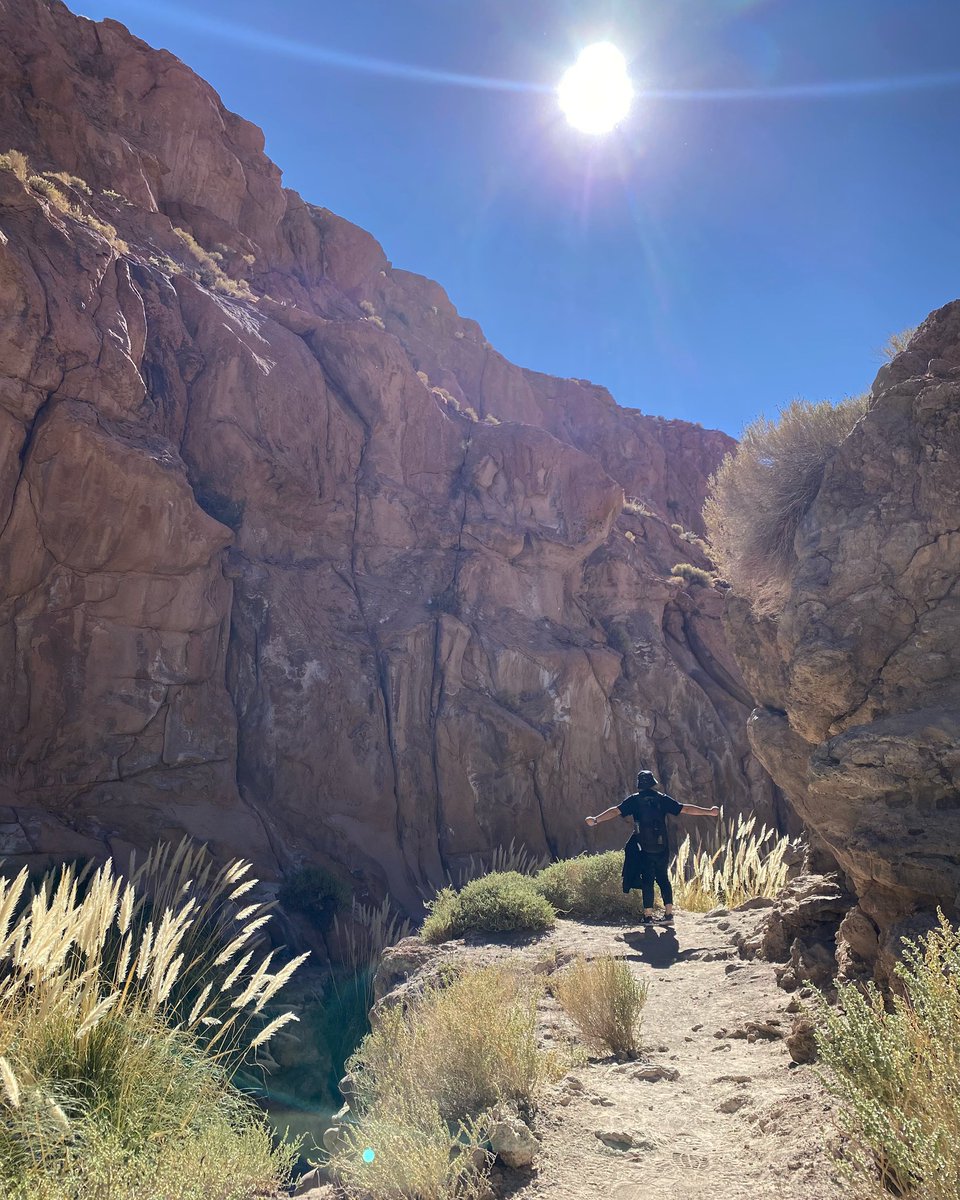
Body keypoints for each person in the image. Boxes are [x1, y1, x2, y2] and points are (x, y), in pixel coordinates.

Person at [585, 769, 720, 925]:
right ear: (653, 783)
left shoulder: (634, 800)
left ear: (639, 785)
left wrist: (596, 819)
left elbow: (615, 811)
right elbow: (685, 808)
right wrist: (709, 812)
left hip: (643, 846)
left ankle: (648, 916)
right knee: (663, 878)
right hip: (662, 845)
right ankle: (669, 915)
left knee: (647, 879)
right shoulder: (661, 799)